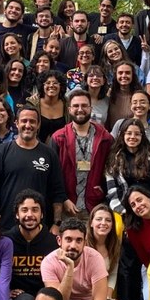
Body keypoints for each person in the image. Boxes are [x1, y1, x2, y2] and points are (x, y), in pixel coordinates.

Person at [0, 105, 65, 229]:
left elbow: (58, 192)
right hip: (7, 227)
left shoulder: (49, 154)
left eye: (32, 121)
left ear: (38, 125)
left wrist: (56, 224)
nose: (28, 125)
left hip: (41, 229)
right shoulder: (2, 151)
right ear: (16, 123)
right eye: (24, 121)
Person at [52, 89, 113, 219]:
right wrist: (63, 198)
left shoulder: (105, 138)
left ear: (91, 108)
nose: (80, 109)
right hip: (67, 207)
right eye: (76, 106)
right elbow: (53, 174)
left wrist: (103, 190)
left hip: (95, 207)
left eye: (84, 105)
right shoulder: (58, 138)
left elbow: (112, 169)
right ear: (69, 109)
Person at [105, 118, 150, 217]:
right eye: (129, 133)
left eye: (137, 134)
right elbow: (112, 190)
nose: (132, 137)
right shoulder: (114, 159)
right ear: (122, 135)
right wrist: (121, 211)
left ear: (142, 136)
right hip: (128, 211)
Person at [86, 204, 131, 300]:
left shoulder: (114, 245)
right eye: (99, 219)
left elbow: (112, 274)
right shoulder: (82, 244)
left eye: (108, 220)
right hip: (83, 295)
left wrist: (108, 295)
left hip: (103, 293)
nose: (103, 223)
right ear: (91, 222)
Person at [6, 190, 60, 300]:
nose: (30, 215)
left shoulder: (54, 243)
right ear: (17, 214)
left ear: (41, 214)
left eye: (35, 210)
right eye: (24, 210)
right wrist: (5, 291)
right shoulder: (6, 241)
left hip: (46, 297)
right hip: (19, 299)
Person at [106, 60, 143, 128]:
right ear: (116, 75)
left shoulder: (139, 95)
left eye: (127, 73)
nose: (124, 75)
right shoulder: (110, 94)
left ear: (133, 75)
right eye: (120, 73)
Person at [37, 70, 68, 142]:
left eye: (55, 83)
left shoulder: (68, 104)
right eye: (47, 83)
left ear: (61, 86)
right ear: (42, 86)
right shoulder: (33, 104)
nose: (51, 85)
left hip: (61, 148)